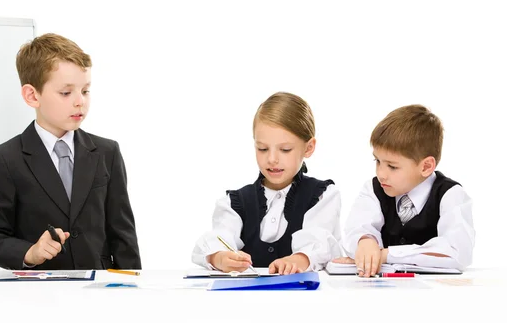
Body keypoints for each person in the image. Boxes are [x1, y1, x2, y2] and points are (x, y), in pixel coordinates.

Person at [0, 33, 141, 270]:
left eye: (85, 91)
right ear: (32, 95)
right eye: (66, 93)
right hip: (40, 295)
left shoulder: (107, 152)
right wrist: (30, 252)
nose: (79, 102)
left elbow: (123, 235)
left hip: (99, 290)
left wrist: (130, 286)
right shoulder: (6, 158)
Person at [192, 92, 342, 274]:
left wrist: (298, 260)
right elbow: (220, 237)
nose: (272, 159)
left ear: (308, 148)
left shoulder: (322, 195)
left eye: (285, 150)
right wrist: (220, 257)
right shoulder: (235, 202)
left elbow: (320, 241)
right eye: (262, 149)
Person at [335, 104, 474, 277]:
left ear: (426, 166)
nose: (381, 174)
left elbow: (458, 252)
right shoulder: (374, 189)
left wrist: (386, 254)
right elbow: (355, 228)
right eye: (377, 161)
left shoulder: (450, 194)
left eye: (392, 167)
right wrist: (365, 242)